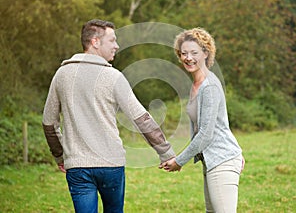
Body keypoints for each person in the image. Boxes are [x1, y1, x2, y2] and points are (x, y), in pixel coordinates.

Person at [42, 19, 175, 213]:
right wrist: (166, 153)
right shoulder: (113, 77)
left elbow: (48, 123)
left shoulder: (62, 74)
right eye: (112, 40)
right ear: (95, 42)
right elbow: (141, 118)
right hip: (111, 165)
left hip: (78, 167)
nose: (117, 45)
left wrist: (60, 156)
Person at [161, 28, 245, 213]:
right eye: (183, 53)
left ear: (206, 54)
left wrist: (179, 161)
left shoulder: (210, 86)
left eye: (194, 53)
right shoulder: (197, 84)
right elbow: (212, 127)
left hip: (222, 160)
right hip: (214, 160)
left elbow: (206, 134)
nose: (188, 58)